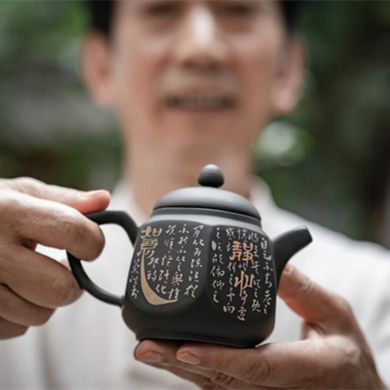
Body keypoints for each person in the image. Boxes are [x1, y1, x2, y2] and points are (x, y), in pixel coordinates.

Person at [0, 0, 389, 388]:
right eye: (160, 12)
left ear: (287, 67)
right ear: (101, 65)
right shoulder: (19, 276)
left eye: (238, 12)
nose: (201, 49)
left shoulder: (373, 293)